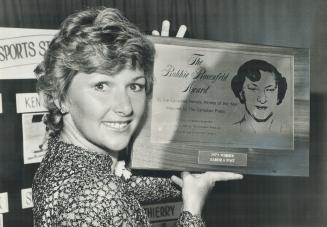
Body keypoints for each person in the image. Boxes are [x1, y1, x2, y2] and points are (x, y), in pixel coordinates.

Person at [32, 7, 243, 226]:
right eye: (102, 85)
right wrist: (192, 210)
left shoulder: (66, 163)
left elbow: (131, 183)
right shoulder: (100, 195)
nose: (125, 107)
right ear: (60, 97)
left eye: (134, 85)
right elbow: (109, 194)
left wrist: (169, 84)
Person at [231, 59, 287, 133]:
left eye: (270, 89)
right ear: (241, 94)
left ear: (278, 96)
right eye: (253, 89)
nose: (262, 99)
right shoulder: (231, 131)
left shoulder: (285, 132)